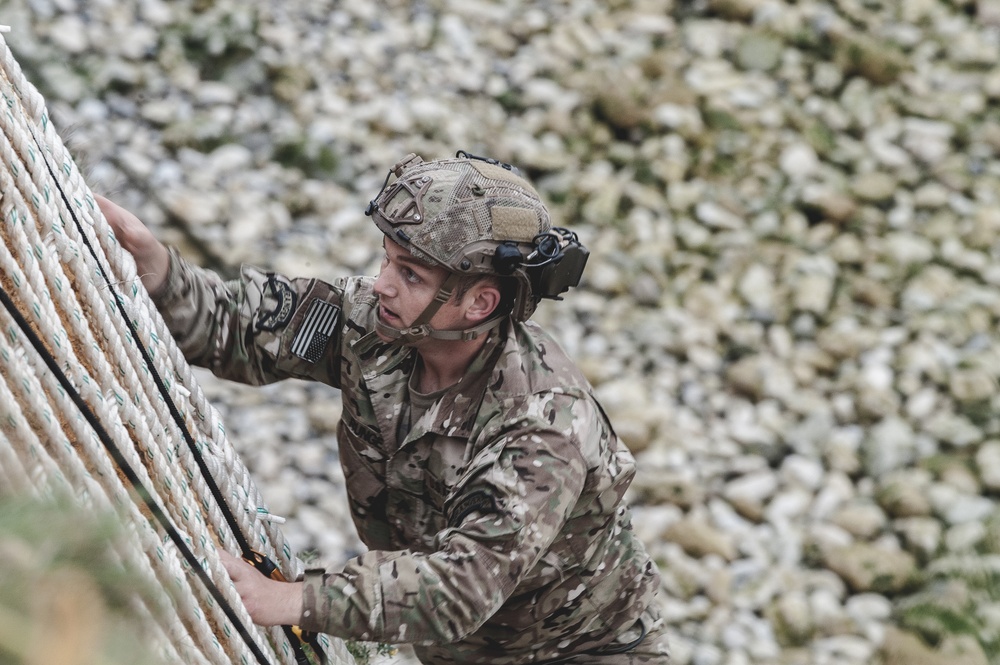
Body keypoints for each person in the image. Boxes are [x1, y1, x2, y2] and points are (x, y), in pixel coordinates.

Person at [98, 151, 670, 664]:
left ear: (479, 303)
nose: (382, 285)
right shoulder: (378, 324)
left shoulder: (541, 423)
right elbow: (240, 327)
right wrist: (160, 273)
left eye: (410, 274)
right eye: (388, 260)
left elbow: (461, 588)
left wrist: (294, 600)